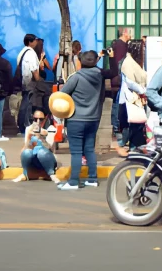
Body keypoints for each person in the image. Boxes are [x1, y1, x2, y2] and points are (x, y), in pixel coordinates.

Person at [59, 50, 117, 190]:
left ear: (80, 61)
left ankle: (73, 181)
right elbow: (114, 72)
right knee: (89, 149)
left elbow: (62, 94)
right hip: (93, 119)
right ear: (96, 61)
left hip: (76, 119)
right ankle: (92, 179)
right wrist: (111, 57)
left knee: (76, 152)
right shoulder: (100, 75)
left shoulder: (76, 77)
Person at [14, 109, 61, 183]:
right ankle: (24, 173)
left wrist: (44, 136)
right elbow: (24, 150)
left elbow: (52, 149)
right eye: (35, 119)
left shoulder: (51, 129)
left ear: (45, 119)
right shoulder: (29, 128)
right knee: (26, 152)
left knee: (41, 152)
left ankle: (51, 174)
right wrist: (29, 138)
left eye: (41, 119)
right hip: (34, 158)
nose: (38, 121)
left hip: (47, 158)